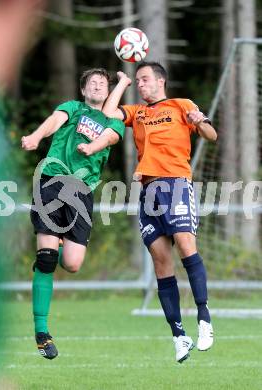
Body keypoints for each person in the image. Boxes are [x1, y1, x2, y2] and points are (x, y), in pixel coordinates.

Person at [101, 62, 217, 363]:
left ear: (161, 81)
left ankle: (204, 320)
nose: (141, 84)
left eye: (144, 79)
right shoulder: (137, 112)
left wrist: (199, 119)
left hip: (176, 183)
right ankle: (179, 335)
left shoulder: (181, 105)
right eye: (138, 80)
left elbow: (211, 134)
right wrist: (122, 83)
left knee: (185, 244)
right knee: (161, 262)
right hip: (148, 191)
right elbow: (107, 113)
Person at [21, 68, 125, 359]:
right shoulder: (73, 108)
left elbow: (108, 138)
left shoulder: (113, 121)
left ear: (108, 94)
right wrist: (36, 136)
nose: (96, 85)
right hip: (52, 182)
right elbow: (55, 121)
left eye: (102, 84)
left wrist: (92, 146)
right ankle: (42, 332)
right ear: (83, 91)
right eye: (92, 83)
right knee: (47, 258)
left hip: (81, 192)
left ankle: (60, 239)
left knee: (73, 264)